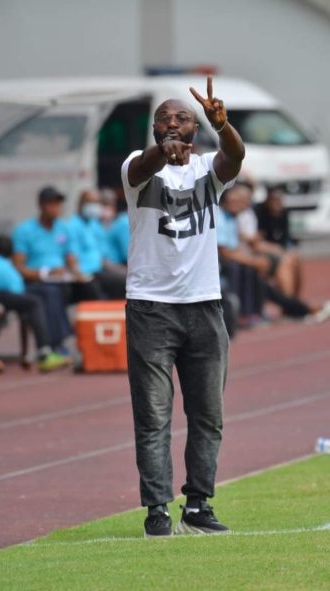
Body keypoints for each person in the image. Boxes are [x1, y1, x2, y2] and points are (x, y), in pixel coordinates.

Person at [122, 76, 245, 537]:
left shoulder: (209, 170)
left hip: (204, 306)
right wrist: (163, 151)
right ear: (154, 128)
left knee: (208, 415)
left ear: (196, 127)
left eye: (182, 118)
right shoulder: (138, 165)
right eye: (164, 118)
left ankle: (197, 506)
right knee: (154, 416)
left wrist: (223, 126)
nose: (172, 123)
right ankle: (157, 510)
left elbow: (235, 157)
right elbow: (144, 166)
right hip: (150, 307)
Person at [217, 187, 330, 323]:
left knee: (283, 266)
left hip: (241, 259)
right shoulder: (221, 218)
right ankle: (301, 309)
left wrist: (255, 256)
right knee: (264, 276)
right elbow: (225, 252)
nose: (246, 205)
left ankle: (298, 308)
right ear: (230, 201)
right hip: (229, 264)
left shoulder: (233, 218)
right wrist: (254, 261)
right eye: (243, 201)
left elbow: (239, 244)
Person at [0, 201, 69, 372]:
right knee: (15, 307)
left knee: (1, 310)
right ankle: (43, 353)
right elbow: (17, 290)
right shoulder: (3, 264)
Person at [12, 186, 99, 351]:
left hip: (61, 280)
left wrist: (77, 274)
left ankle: (94, 340)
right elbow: (18, 265)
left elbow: (70, 258)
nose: (56, 208)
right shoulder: (24, 230)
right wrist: (42, 273)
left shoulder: (64, 228)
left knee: (91, 288)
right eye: (51, 204)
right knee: (53, 292)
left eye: (58, 204)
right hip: (35, 282)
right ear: (41, 205)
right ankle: (57, 342)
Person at [68, 189, 126, 299]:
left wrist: (119, 269)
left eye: (96, 203)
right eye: (90, 202)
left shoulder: (95, 225)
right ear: (81, 204)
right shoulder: (72, 225)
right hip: (85, 273)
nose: (94, 206)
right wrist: (78, 274)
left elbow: (102, 256)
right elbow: (71, 255)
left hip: (99, 270)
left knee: (124, 280)